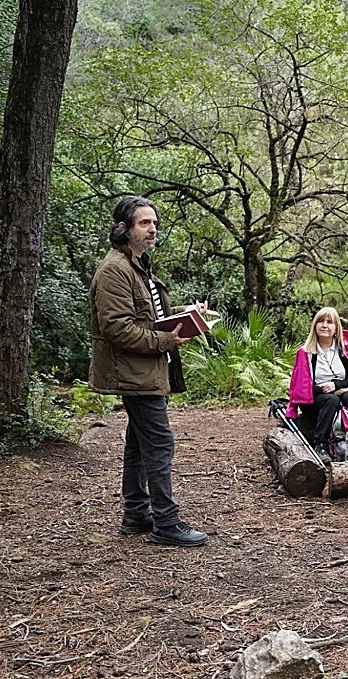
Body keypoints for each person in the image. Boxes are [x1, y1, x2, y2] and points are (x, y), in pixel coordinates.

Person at [89, 196, 209, 548]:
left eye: (154, 223)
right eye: (144, 223)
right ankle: (166, 523)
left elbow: (149, 317)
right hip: (133, 372)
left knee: (140, 445)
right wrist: (166, 341)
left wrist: (189, 313)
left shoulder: (138, 265)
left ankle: (137, 514)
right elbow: (116, 328)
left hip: (146, 370)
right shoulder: (114, 270)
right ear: (123, 229)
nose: (152, 228)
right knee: (159, 442)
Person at [287, 307, 348, 459]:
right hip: (314, 400)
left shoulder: (346, 352)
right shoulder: (305, 353)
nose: (324, 325)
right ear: (315, 326)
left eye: (329, 322)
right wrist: (327, 390)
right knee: (332, 399)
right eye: (320, 322)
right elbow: (300, 389)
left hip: (341, 394)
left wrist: (336, 386)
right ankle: (321, 445)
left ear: (336, 328)